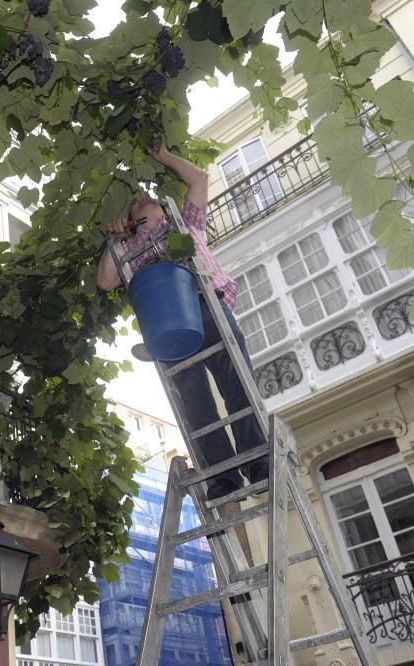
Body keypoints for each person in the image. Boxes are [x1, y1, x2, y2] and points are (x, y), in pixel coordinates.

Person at [96, 138, 267, 499]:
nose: (141, 199)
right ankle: (224, 475)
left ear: (162, 208)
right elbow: (106, 280)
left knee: (236, 382)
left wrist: (163, 156)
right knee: (195, 402)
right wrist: (113, 240)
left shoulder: (185, 225)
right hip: (167, 323)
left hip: (207, 306)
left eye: (147, 198)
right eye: (135, 202)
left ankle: (258, 461)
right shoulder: (129, 249)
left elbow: (200, 181)